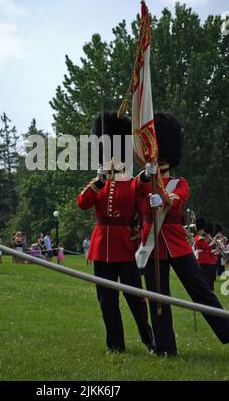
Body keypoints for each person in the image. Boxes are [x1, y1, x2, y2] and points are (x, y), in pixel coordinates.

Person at [135, 112, 229, 357]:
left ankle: (227, 331)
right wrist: (147, 176)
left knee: (200, 290)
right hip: (152, 244)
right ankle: (165, 346)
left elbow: (176, 202)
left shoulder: (180, 183)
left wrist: (163, 196)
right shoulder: (143, 181)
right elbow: (135, 197)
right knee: (157, 297)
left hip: (176, 243)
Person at [77, 112, 154, 354]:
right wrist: (98, 182)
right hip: (102, 249)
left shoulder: (131, 182)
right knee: (107, 302)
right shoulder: (98, 183)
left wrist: (149, 173)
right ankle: (115, 344)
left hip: (125, 247)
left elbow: (141, 187)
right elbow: (82, 202)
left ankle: (149, 339)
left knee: (136, 300)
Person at [195, 218, 218, 290]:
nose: (203, 231)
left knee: (205, 276)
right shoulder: (200, 238)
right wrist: (212, 243)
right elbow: (206, 248)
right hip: (203, 259)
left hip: (203, 258)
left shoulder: (198, 237)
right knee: (205, 276)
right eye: (202, 229)